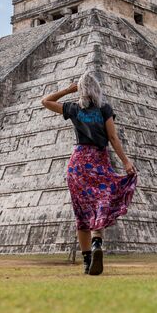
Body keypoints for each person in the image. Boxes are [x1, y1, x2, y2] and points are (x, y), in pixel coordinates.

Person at [41, 71, 138, 275]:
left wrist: (69, 89)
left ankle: (86, 262)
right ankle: (96, 243)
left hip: (78, 164)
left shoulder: (74, 109)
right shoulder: (104, 109)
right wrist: (126, 161)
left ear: (81, 89)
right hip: (98, 161)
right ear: (97, 89)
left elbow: (46, 101)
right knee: (100, 204)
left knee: (82, 213)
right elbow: (112, 138)